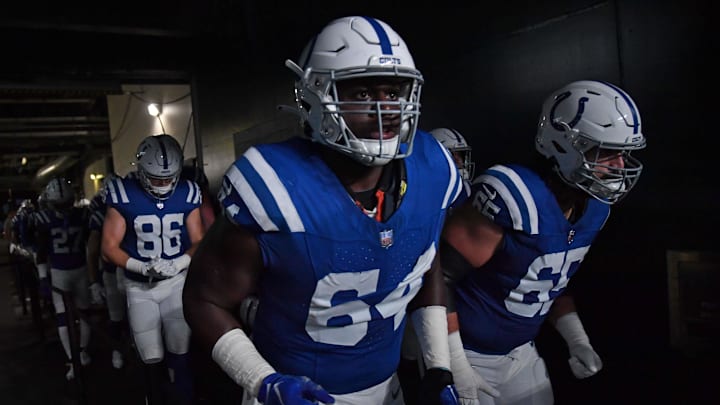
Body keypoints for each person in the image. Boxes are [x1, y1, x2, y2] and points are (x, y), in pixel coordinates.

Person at [183, 15, 466, 405]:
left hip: (388, 389)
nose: (384, 110)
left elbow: (424, 263)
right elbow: (204, 299)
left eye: (393, 91)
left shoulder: (432, 167)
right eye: (362, 94)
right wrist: (264, 381)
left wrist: (438, 368)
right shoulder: (274, 184)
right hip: (300, 394)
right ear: (315, 96)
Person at [442, 80, 647, 404]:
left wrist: (577, 340)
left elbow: (548, 282)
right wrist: (450, 360)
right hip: (469, 353)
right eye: (607, 151)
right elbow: (437, 278)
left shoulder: (594, 208)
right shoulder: (515, 196)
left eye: (623, 153)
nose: (620, 165)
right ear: (566, 143)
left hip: (522, 354)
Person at [102, 134, 204, 404]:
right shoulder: (123, 193)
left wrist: (178, 263)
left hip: (175, 283)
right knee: (151, 355)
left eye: (169, 177)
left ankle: (183, 398)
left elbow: (198, 241)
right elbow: (109, 246)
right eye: (156, 178)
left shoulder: (188, 191)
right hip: (139, 287)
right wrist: (142, 267)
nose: (163, 184)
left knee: (180, 349)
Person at [35, 177, 92, 381]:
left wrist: (43, 277)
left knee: (78, 314)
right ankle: (74, 357)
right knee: (68, 315)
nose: (64, 208)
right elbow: (41, 251)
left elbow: (41, 253)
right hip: (72, 270)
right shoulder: (82, 214)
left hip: (69, 270)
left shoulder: (45, 219)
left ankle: (78, 354)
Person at [86, 176, 127, 369]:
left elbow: (93, 250)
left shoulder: (102, 213)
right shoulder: (104, 214)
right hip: (117, 271)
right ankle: (118, 349)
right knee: (118, 316)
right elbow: (93, 249)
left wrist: (94, 280)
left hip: (128, 271)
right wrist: (94, 280)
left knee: (121, 316)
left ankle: (122, 350)